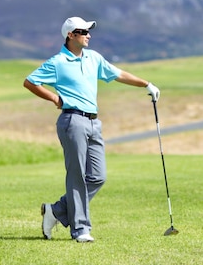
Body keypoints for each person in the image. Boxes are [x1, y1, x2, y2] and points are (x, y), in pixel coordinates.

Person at [23, 16, 160, 243]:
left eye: (88, 31)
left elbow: (119, 74)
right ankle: (80, 229)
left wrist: (147, 84)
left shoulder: (93, 58)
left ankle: (56, 211)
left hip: (94, 122)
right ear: (70, 35)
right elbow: (30, 82)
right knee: (77, 176)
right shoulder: (57, 62)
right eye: (83, 31)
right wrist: (54, 98)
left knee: (97, 176)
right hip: (72, 121)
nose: (89, 35)